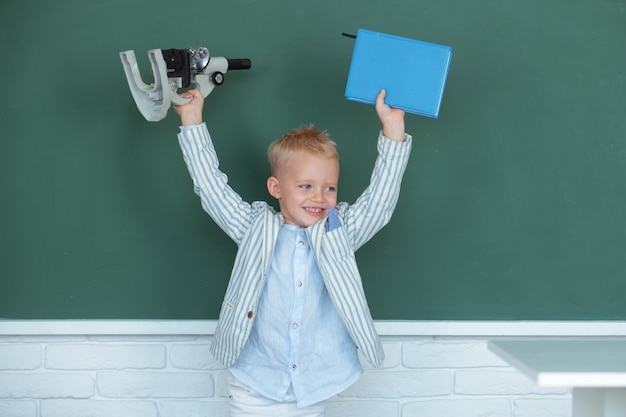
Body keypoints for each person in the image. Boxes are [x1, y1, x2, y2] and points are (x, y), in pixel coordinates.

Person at [174, 88, 412, 416]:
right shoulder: (253, 226)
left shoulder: (339, 230)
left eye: (329, 187)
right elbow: (211, 187)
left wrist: (393, 130)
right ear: (276, 189)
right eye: (305, 186)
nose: (319, 197)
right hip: (255, 381)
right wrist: (191, 119)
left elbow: (380, 202)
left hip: (313, 384)